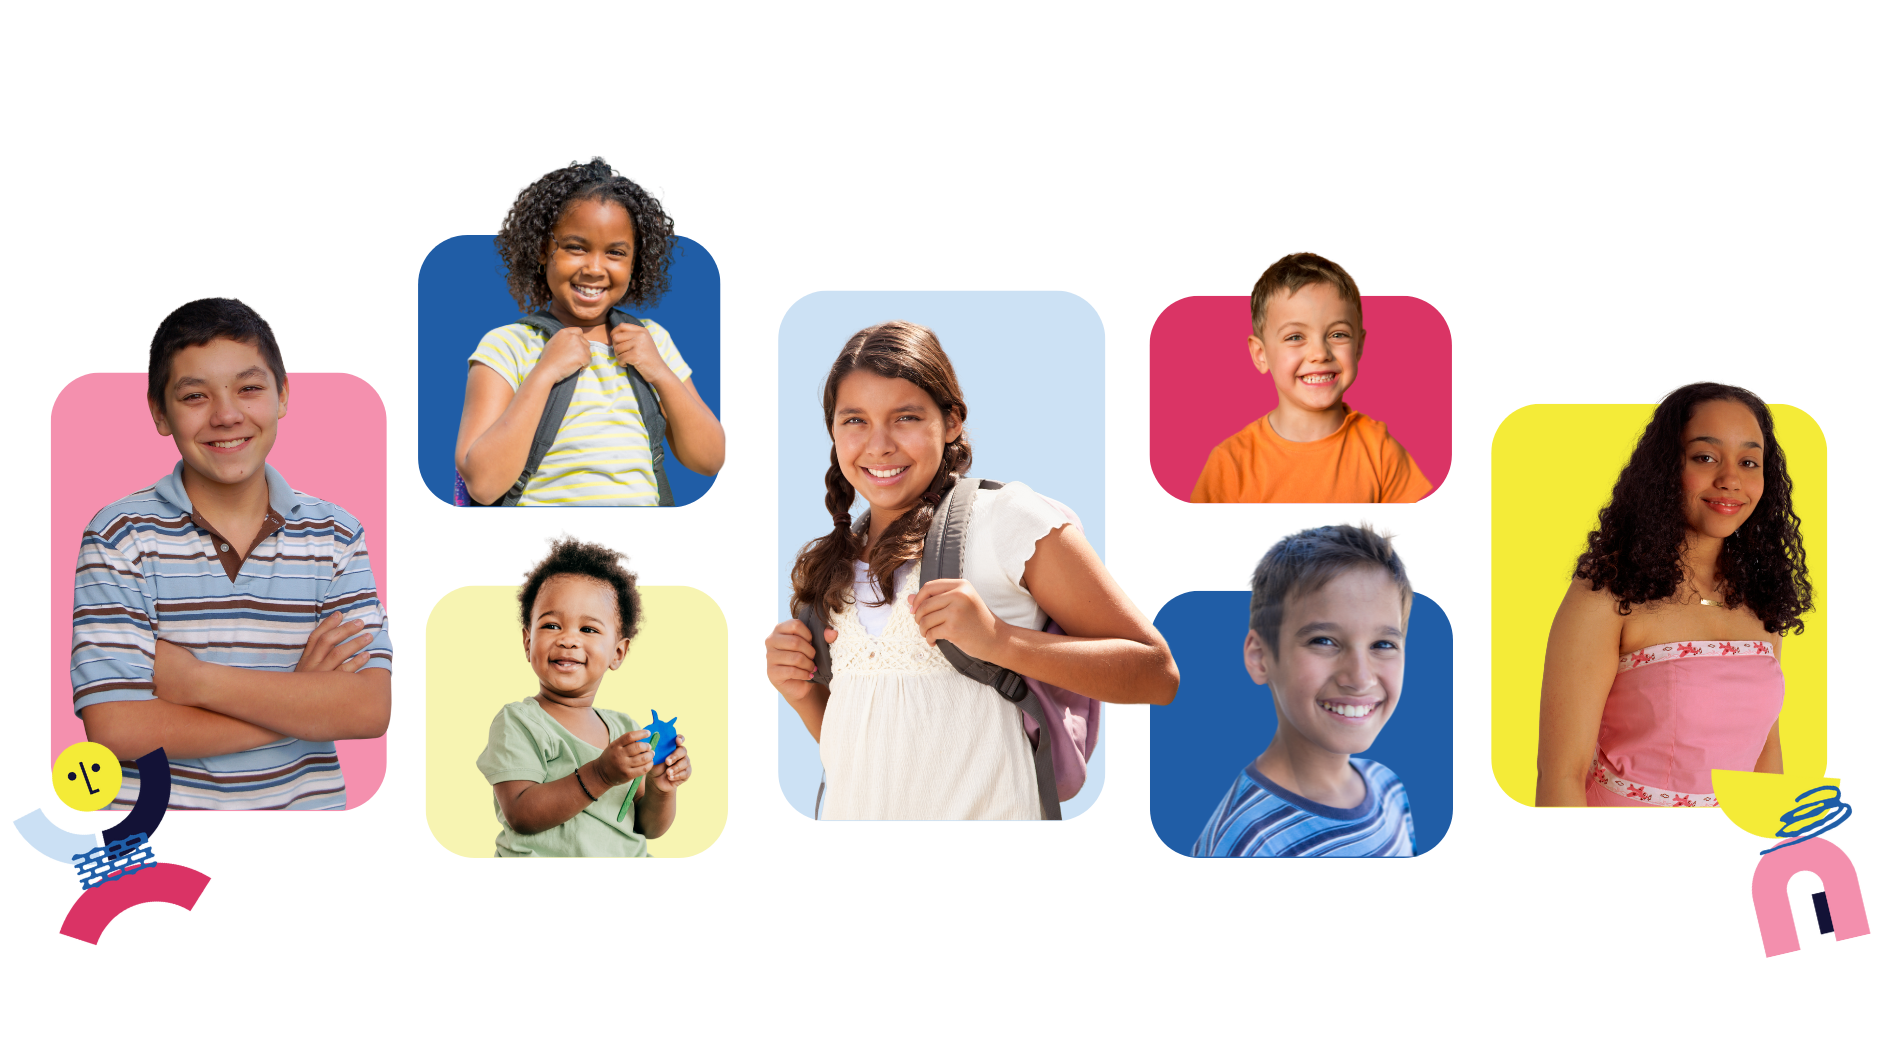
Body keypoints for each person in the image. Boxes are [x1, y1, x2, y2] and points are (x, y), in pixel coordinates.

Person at [764, 321, 1178, 820]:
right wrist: (802, 693)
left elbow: (1158, 674)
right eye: (854, 420)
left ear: (952, 420)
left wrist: (999, 640)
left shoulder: (1007, 519)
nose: (878, 445)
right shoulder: (828, 568)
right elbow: (864, 751)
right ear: (832, 429)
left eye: (906, 417)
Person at [72, 298, 392, 810]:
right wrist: (299, 702)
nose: (226, 415)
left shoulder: (336, 534)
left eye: (249, 389)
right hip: (157, 852)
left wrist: (198, 681)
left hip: (301, 853)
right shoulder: (119, 535)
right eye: (195, 395)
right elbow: (116, 729)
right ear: (159, 413)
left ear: (283, 395)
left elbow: (369, 709)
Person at [1536, 381, 1810, 807]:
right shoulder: (1608, 589)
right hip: (1624, 858)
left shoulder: (1761, 596)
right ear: (1666, 466)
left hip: (1727, 856)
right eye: (1705, 457)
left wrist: (1768, 855)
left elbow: (1765, 754)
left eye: (1749, 462)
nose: (1731, 480)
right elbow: (1561, 776)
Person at [454, 155, 729, 505]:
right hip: (544, 550)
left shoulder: (652, 341)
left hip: (636, 552)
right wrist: (544, 372)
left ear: (635, 262)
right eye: (575, 247)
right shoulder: (509, 345)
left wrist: (659, 371)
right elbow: (483, 483)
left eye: (615, 252)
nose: (595, 268)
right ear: (543, 250)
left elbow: (709, 459)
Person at [1193, 521, 1416, 856]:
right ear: (1260, 657)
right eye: (1323, 641)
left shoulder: (1390, 789)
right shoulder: (1246, 844)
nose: (1359, 677)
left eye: (1382, 644)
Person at [476, 539, 691, 855]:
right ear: (527, 641)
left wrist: (661, 787)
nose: (567, 639)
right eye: (551, 625)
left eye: (588, 629)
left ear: (618, 653)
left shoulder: (625, 730)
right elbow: (521, 815)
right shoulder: (519, 722)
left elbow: (647, 827)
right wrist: (601, 773)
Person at [1190, 251, 1431, 508]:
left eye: (1338, 334)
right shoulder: (1230, 463)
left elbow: (1412, 540)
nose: (1320, 353)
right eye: (1295, 337)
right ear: (1261, 355)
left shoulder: (1382, 451)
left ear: (1359, 347)